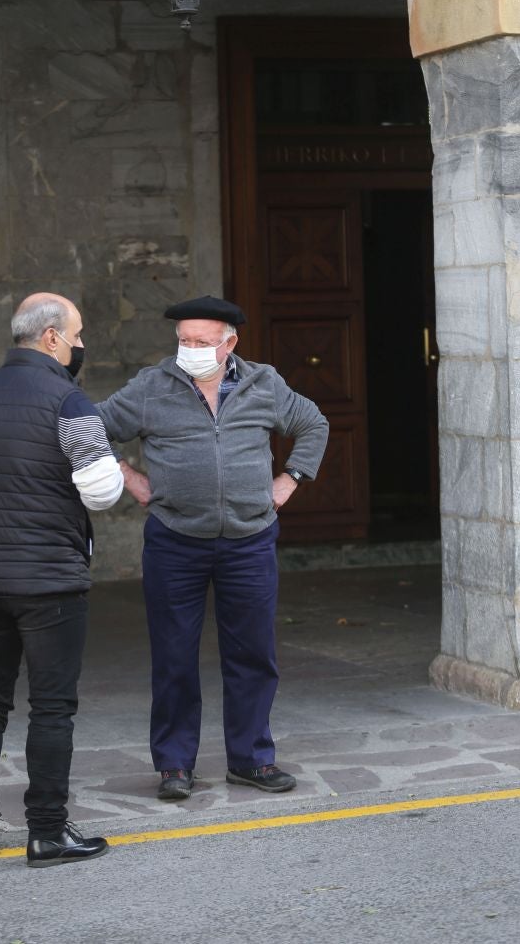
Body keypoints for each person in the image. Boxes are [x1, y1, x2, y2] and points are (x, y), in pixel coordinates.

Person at [97, 295, 328, 801]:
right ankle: (175, 765)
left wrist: (289, 480)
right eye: (184, 341)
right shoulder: (151, 387)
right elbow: (89, 429)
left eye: (202, 343)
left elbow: (313, 424)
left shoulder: (263, 383)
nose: (191, 350)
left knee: (253, 655)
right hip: (175, 540)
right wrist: (129, 477)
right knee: (174, 655)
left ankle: (251, 760)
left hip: (249, 540)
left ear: (230, 344)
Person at [0, 292, 123, 867]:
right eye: (79, 334)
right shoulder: (69, 401)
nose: (83, 345)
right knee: (51, 707)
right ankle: (46, 832)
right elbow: (103, 490)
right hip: (49, 582)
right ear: (53, 338)